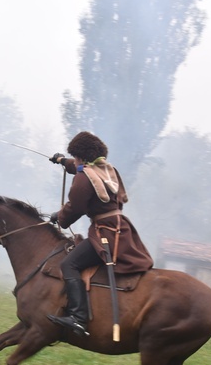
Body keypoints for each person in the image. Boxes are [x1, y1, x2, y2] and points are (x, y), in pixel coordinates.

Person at [46, 131, 153, 336]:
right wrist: (62, 161)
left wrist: (59, 217)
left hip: (105, 233)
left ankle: (78, 318)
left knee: (69, 264)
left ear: (82, 156)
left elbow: (75, 206)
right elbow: (82, 168)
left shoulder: (84, 178)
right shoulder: (108, 170)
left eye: (75, 156)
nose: (75, 160)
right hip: (121, 228)